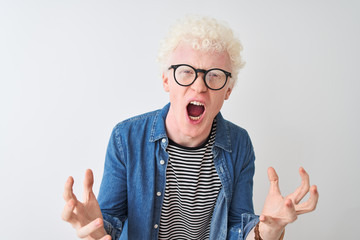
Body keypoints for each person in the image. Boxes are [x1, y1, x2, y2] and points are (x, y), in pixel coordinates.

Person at [62, 16, 319, 240]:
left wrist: (268, 232)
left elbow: (236, 230)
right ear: (166, 80)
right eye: (186, 72)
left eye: (215, 75)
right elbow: (109, 226)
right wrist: (96, 230)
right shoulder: (125, 138)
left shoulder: (239, 144)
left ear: (228, 90)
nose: (199, 86)